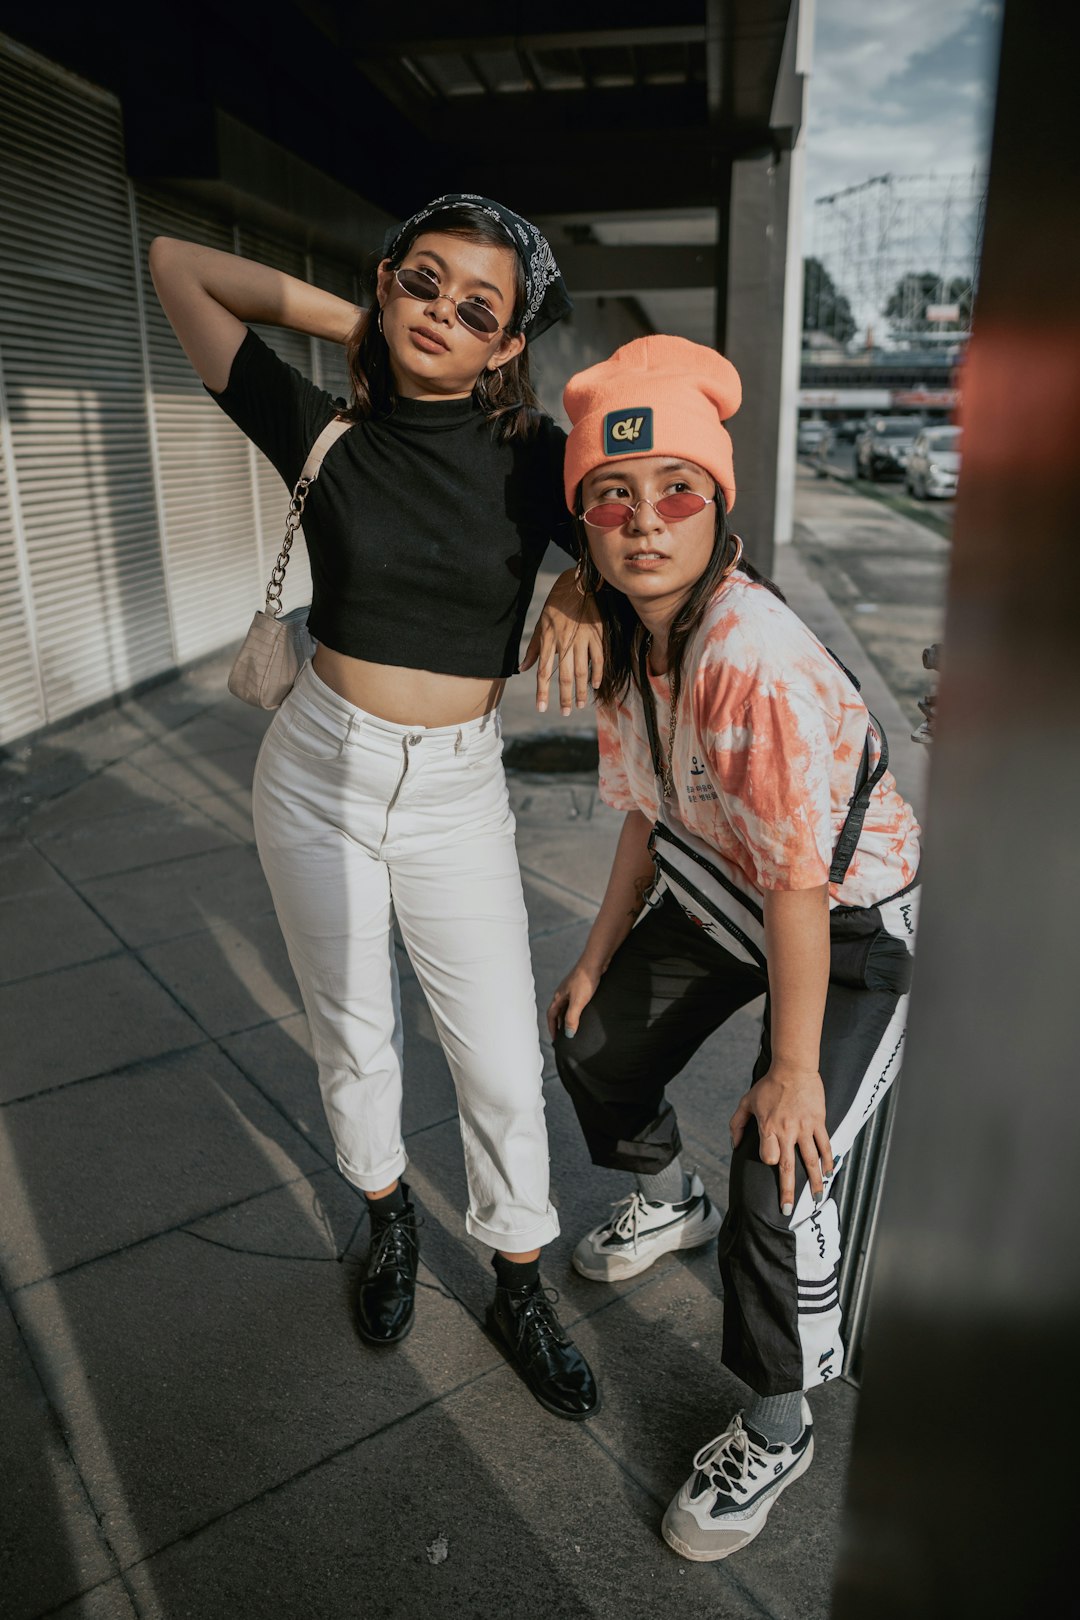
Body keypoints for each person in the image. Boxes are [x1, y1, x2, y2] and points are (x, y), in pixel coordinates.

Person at [149, 194, 600, 1420]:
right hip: (317, 770)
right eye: (422, 282)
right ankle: (388, 1216)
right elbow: (177, 266)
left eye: (477, 308)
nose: (441, 313)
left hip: (454, 791)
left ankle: (519, 1278)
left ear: (511, 344)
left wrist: (589, 593)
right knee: (353, 1029)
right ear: (389, 279)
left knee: (501, 1062)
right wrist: (370, 322)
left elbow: (673, 535)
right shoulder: (324, 429)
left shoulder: (537, 460)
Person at [548, 335, 920, 1545]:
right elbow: (650, 824)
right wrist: (601, 956)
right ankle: (670, 1196)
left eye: (676, 494)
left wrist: (792, 1067)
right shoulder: (628, 643)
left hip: (850, 916)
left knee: (782, 1162)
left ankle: (777, 1426)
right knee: (593, 1041)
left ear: (719, 508)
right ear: (588, 525)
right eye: (614, 498)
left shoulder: (742, 659)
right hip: (731, 882)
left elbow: (805, 890)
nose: (644, 522)